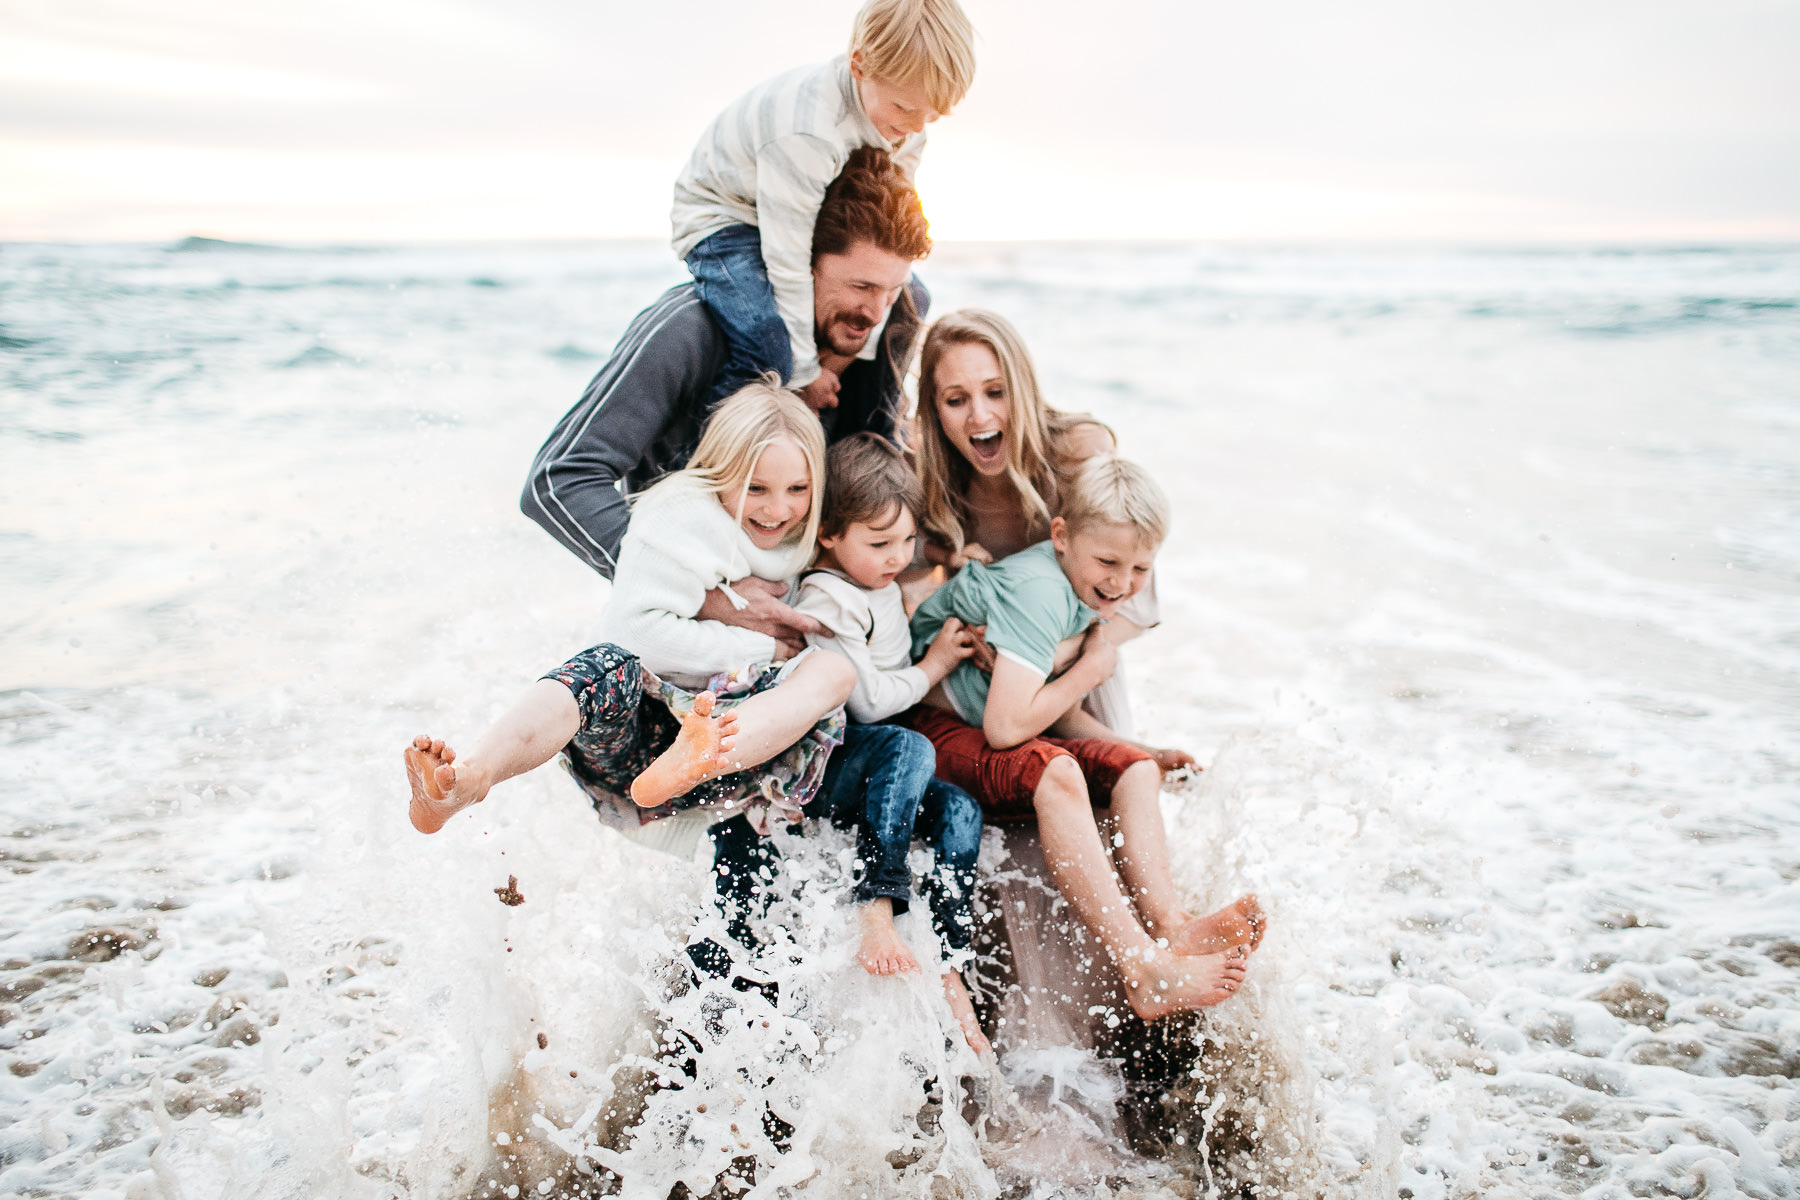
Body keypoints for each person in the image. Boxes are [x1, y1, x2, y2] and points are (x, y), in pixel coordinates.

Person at [405, 381, 855, 855]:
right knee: (609, 661)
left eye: (798, 489)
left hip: (733, 758)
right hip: (634, 741)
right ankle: (468, 778)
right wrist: (764, 647)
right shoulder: (681, 518)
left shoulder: (815, 535)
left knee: (833, 672)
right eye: (755, 487)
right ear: (721, 471)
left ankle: (698, 758)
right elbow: (638, 634)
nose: (777, 508)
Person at [524, 146, 931, 657]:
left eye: (891, 289)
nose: (875, 312)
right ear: (797, 263)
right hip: (684, 640)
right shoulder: (689, 327)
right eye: (860, 286)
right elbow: (558, 481)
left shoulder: (893, 315)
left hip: (816, 635)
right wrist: (708, 599)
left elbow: (874, 469)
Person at [903, 457, 1261, 1020]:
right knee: (1057, 772)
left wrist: (1147, 753)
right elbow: (1006, 729)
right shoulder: (1041, 593)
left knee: (1134, 770)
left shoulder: (1081, 589)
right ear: (1062, 537)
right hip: (928, 727)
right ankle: (1141, 966)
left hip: (987, 722)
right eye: (1109, 562)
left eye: (1141, 568)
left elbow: (1059, 712)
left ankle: (1172, 925)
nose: (1122, 583)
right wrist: (1093, 669)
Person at [672, 0, 974, 412]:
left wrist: (848, 355)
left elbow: (891, 235)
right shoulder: (810, 131)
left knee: (911, 300)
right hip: (726, 218)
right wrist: (805, 371)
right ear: (859, 66)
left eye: (933, 115)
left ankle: (865, 438)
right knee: (769, 345)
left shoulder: (907, 125)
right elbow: (787, 256)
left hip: (806, 213)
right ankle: (710, 451)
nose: (919, 128)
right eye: (906, 108)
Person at [786, 433, 987, 1051]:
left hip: (878, 771)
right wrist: (933, 668)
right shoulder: (826, 596)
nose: (897, 555)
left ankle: (950, 962)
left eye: (906, 540)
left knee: (960, 810)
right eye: (880, 544)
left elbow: (893, 606)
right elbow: (867, 700)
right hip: (830, 764)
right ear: (828, 534)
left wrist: (946, 574)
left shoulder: (877, 578)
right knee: (910, 748)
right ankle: (876, 903)